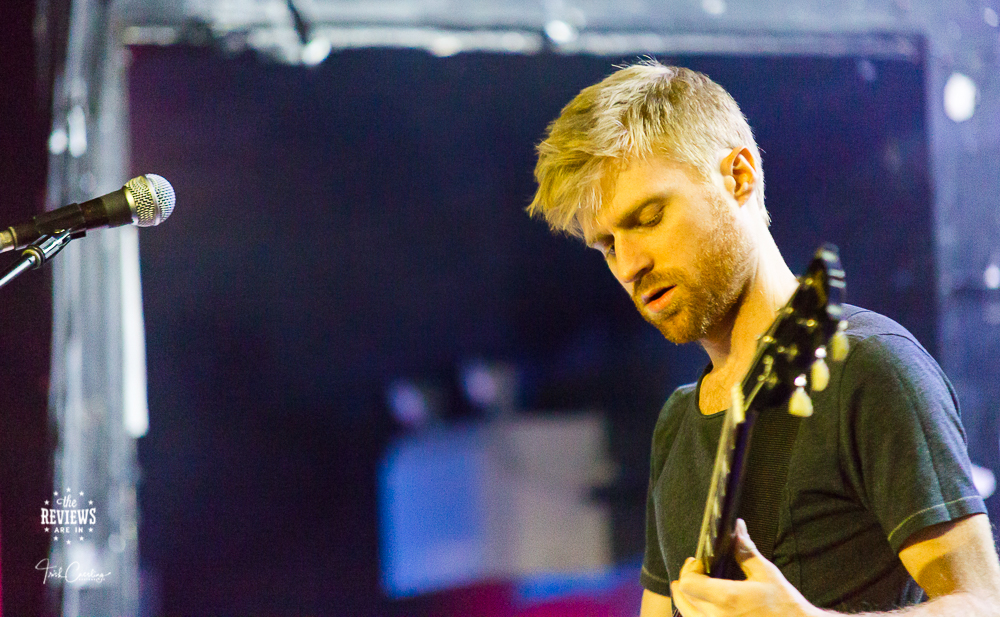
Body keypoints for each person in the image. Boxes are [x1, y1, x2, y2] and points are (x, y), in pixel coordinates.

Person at [527, 60, 1000, 616]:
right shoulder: (678, 424)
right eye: (607, 246)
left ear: (738, 177)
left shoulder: (870, 367)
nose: (629, 264)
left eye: (649, 217)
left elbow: (983, 603)